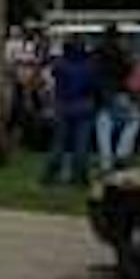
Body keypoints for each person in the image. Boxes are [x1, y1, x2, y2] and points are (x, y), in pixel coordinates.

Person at [42, 38, 99, 185]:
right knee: (82, 145)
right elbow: (94, 85)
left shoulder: (60, 64)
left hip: (63, 106)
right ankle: (80, 176)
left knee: (59, 144)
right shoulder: (89, 66)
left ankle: (49, 174)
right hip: (84, 106)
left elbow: (52, 75)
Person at [93, 24, 140, 170]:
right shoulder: (120, 52)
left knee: (104, 127)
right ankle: (121, 153)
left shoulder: (97, 52)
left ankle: (106, 162)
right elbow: (127, 70)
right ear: (117, 37)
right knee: (134, 120)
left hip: (101, 94)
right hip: (118, 92)